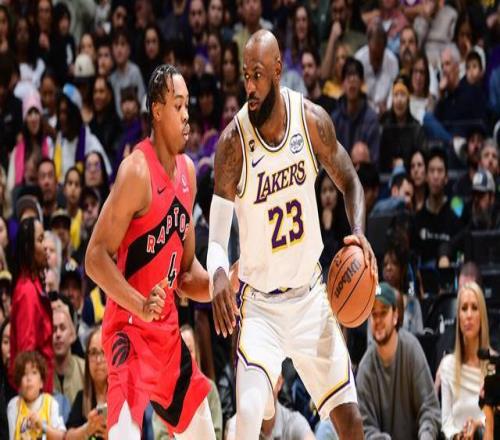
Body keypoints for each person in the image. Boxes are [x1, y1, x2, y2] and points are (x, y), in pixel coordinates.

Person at [208, 30, 377, 439]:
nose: (250, 86)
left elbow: (350, 181)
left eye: (258, 75)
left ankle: (270, 390)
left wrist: (358, 232)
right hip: (261, 308)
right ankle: (266, 393)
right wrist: (218, 274)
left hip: (310, 299)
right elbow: (215, 239)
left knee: (352, 424)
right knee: (247, 419)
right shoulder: (232, 144)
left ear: (278, 71)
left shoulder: (311, 121)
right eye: (246, 75)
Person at [85, 64, 216, 439]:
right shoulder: (136, 172)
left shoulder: (188, 173)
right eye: (178, 105)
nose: (187, 114)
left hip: (167, 336)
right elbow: (94, 258)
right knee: (124, 433)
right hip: (128, 332)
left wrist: (223, 284)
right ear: (157, 110)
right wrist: (140, 304)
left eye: (188, 105)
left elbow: (186, 274)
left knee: (204, 432)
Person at [357, 282, 441, 439]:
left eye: (383, 312)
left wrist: (426, 436)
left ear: (395, 316)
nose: (378, 320)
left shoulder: (411, 349)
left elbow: (430, 409)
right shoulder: (365, 368)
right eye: (373, 314)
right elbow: (365, 428)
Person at [437, 282, 489, 439]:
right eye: (464, 308)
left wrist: (479, 426)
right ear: (458, 316)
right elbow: (446, 423)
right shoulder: (447, 366)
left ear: (482, 315)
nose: (469, 315)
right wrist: (459, 436)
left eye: (474, 308)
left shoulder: (494, 366)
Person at [10, 217, 54, 392]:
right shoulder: (27, 291)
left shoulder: (32, 287)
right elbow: (27, 355)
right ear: (29, 247)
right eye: (40, 239)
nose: (46, 246)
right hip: (34, 394)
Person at [65, 326, 108, 440]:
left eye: (104, 352)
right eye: (93, 353)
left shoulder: (123, 398)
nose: (98, 360)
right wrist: (87, 429)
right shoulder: (81, 397)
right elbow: (67, 437)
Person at [52, 306, 85, 408]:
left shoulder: (85, 369)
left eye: (62, 328)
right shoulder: (41, 374)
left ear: (72, 334)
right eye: (53, 329)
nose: (58, 334)